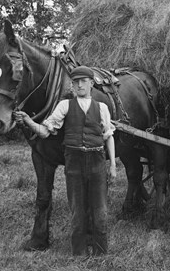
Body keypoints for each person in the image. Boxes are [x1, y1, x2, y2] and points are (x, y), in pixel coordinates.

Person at [14, 65, 117, 255]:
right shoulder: (65, 106)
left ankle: (101, 251)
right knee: (77, 209)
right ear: (72, 85)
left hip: (96, 161)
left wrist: (112, 166)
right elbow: (45, 131)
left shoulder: (102, 108)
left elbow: (108, 135)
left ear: (91, 84)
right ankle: (79, 252)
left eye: (83, 82)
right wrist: (29, 121)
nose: (79, 85)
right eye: (75, 82)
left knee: (100, 209)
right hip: (74, 163)